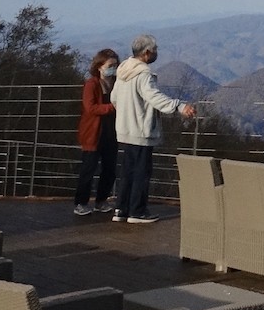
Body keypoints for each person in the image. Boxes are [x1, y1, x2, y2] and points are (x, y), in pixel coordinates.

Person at [110, 34, 194, 225]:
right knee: (141, 172)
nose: (156, 53)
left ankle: (121, 209)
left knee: (127, 171)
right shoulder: (143, 74)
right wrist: (179, 106)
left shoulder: (123, 70)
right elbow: (153, 97)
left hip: (125, 129)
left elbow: (114, 98)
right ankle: (137, 212)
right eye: (155, 50)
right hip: (141, 130)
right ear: (147, 53)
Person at [72, 48, 120, 216]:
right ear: (99, 66)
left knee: (110, 169)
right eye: (110, 65)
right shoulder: (91, 84)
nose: (113, 68)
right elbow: (90, 107)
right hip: (93, 133)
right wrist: (112, 108)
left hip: (111, 133)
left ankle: (101, 200)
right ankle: (81, 202)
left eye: (115, 65)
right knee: (88, 169)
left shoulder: (116, 82)